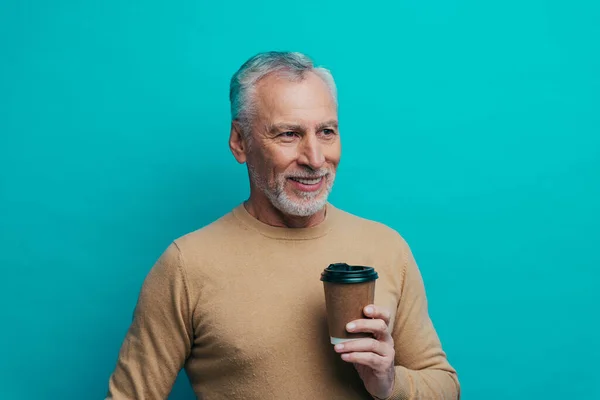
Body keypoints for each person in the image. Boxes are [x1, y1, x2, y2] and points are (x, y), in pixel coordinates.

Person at [106, 51, 460, 399]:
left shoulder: (387, 248)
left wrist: (389, 383)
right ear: (240, 141)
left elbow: (445, 385)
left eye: (326, 132)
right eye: (289, 134)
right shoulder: (186, 265)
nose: (315, 159)